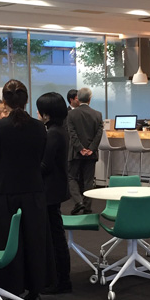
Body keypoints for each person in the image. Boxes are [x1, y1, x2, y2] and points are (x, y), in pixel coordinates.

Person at [0, 79, 55, 300]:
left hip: (5, 192)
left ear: (4, 101)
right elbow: (40, 158)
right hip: (33, 191)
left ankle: (11, 291)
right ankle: (35, 292)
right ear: (27, 100)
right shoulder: (39, 127)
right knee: (35, 242)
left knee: (9, 243)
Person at [37, 92, 72, 295]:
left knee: (54, 236)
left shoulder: (53, 133)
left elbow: (45, 165)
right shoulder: (60, 130)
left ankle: (61, 280)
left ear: (46, 113)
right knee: (55, 233)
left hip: (50, 190)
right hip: (56, 188)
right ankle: (60, 278)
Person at [66, 87, 103, 215]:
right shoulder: (98, 114)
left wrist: (80, 148)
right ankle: (87, 207)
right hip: (91, 154)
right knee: (88, 180)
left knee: (71, 177)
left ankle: (78, 202)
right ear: (90, 99)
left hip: (75, 153)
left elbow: (72, 134)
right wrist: (91, 149)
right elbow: (99, 134)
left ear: (78, 99)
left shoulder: (71, 114)